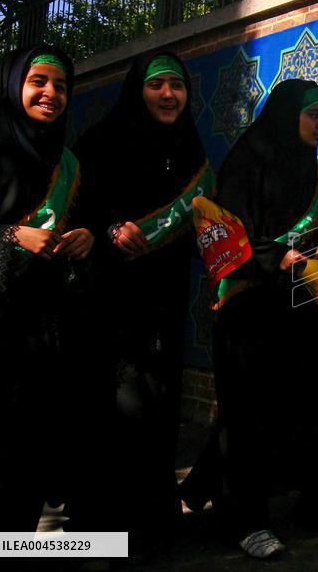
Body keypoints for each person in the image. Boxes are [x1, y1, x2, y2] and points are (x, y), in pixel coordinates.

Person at [200, 79, 318, 558]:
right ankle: (244, 521)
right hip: (247, 307)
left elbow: (315, 229)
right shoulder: (246, 162)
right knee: (247, 416)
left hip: (293, 308)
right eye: (314, 115)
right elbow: (225, 236)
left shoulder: (311, 169)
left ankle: (302, 507)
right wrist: (274, 257)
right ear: (290, 116)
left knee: (299, 407)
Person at [67, 51, 213, 544]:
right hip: (108, 301)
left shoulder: (192, 152)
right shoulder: (100, 144)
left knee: (157, 405)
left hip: (164, 301)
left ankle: (149, 529)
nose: (168, 95)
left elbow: (200, 228)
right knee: (111, 410)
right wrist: (109, 230)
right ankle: (97, 528)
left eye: (177, 85)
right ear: (137, 90)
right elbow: (78, 214)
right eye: (157, 85)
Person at [0, 46, 92, 531]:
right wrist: (10, 236)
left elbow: (79, 225)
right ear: (12, 84)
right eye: (38, 81)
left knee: (25, 469)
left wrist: (86, 241)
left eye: (61, 86)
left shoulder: (67, 162)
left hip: (39, 342)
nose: (51, 94)